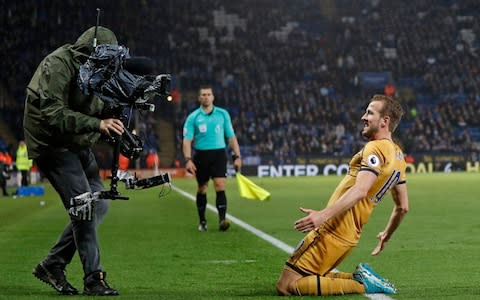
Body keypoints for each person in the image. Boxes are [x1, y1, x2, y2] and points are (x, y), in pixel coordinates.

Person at [276, 94, 409, 296]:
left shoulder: (375, 147)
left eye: (370, 113)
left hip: (334, 229)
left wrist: (322, 216)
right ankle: (361, 278)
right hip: (350, 234)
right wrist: (386, 236)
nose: (363, 117)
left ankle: (362, 285)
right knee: (313, 276)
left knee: (287, 285)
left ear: (385, 121)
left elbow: (360, 189)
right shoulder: (399, 157)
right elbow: (403, 207)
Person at [23, 26, 123, 296]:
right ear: (91, 53)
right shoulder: (57, 65)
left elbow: (102, 102)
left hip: (77, 140)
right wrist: (97, 124)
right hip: (51, 144)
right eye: (105, 57)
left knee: (99, 205)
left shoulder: (97, 68)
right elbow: (53, 114)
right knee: (85, 207)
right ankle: (94, 279)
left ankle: (53, 264)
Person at [182, 86, 242, 232]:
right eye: (203, 94)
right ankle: (202, 221)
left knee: (220, 185)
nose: (206, 97)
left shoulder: (222, 114)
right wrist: (188, 159)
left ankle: (222, 220)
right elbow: (187, 140)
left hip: (219, 155)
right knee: (202, 188)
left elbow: (231, 137)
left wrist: (237, 156)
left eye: (209, 94)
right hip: (201, 156)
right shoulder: (193, 117)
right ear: (199, 98)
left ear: (213, 97)